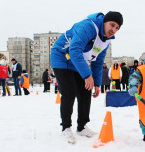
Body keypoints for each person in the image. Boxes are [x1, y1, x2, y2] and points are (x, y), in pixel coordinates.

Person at [50, 11, 123, 142]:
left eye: (117, 28)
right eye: (112, 25)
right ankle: (66, 128)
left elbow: (98, 62)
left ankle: (82, 126)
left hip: (76, 61)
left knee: (85, 90)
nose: (113, 30)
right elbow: (74, 50)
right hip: (61, 57)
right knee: (69, 92)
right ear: (105, 22)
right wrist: (87, 75)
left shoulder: (105, 41)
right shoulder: (88, 27)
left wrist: (96, 83)